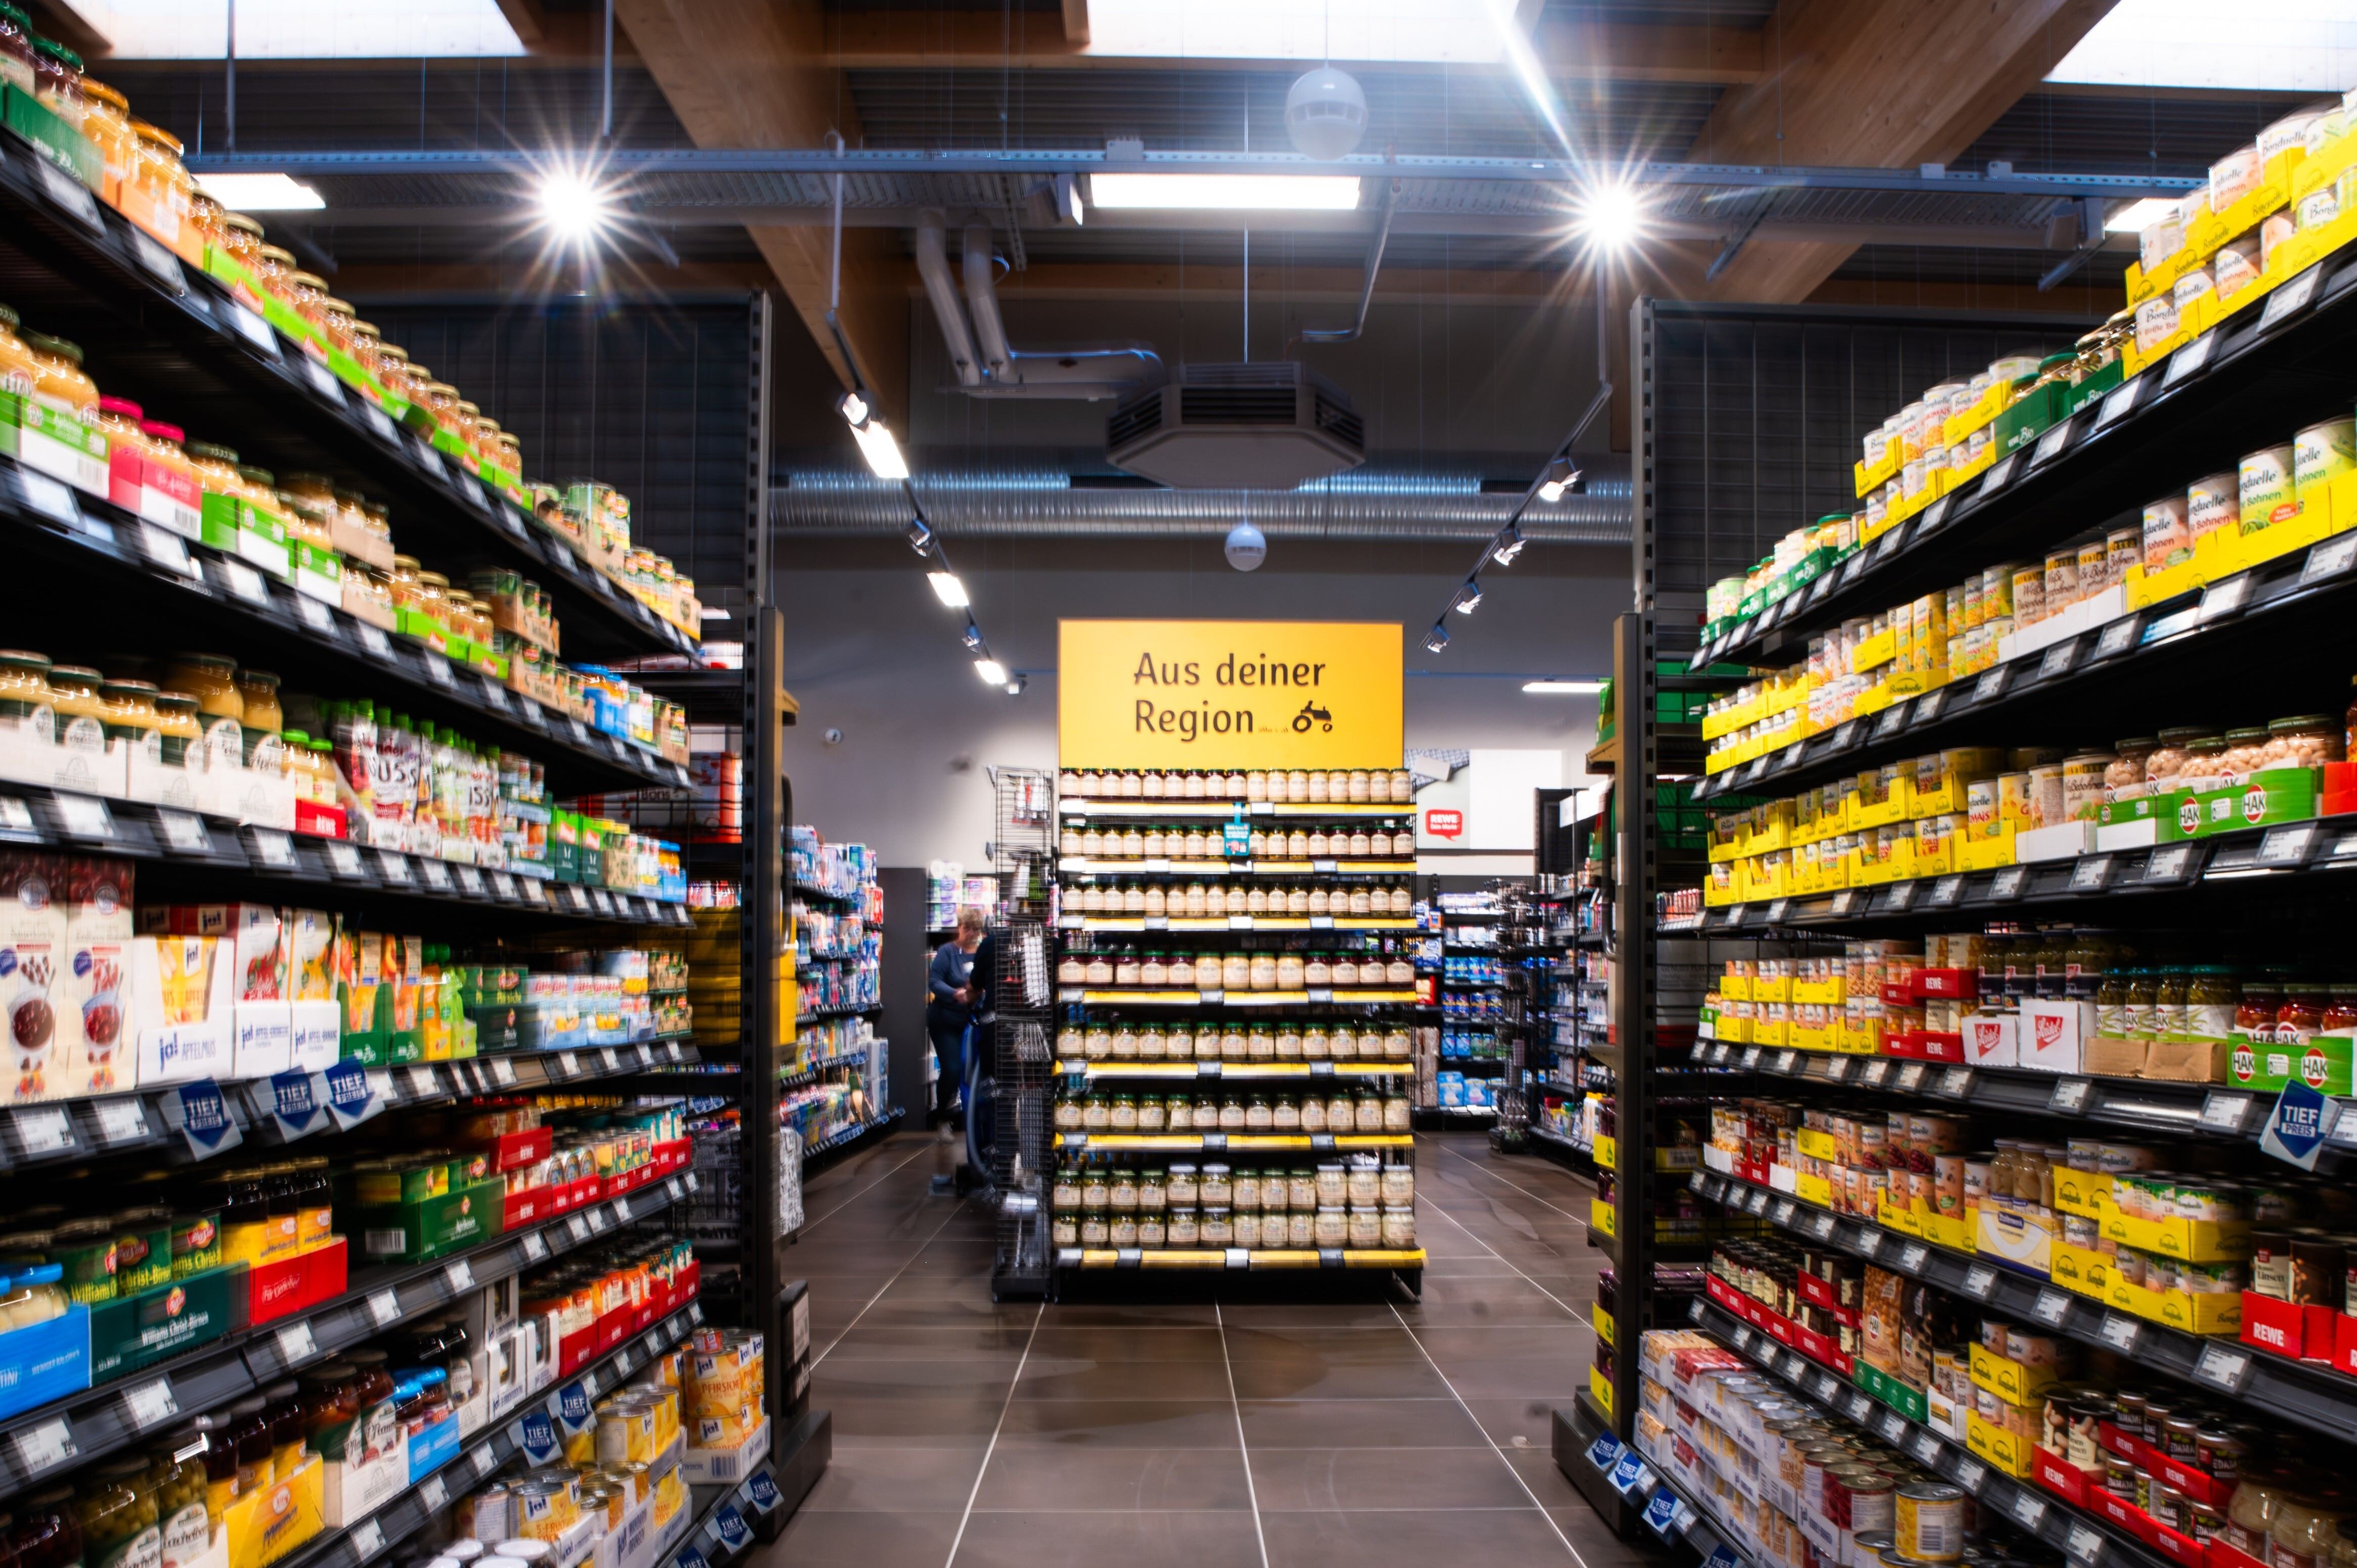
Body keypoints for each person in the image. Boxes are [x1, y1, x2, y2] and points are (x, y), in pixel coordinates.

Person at [927, 907, 984, 1133]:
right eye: (967, 928)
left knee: (971, 1070)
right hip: (945, 1021)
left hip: (972, 1023)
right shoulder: (947, 952)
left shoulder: (982, 953)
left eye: (975, 929)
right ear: (960, 927)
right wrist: (955, 993)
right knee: (951, 1068)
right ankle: (942, 1117)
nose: (971, 933)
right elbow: (934, 981)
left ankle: (970, 1118)